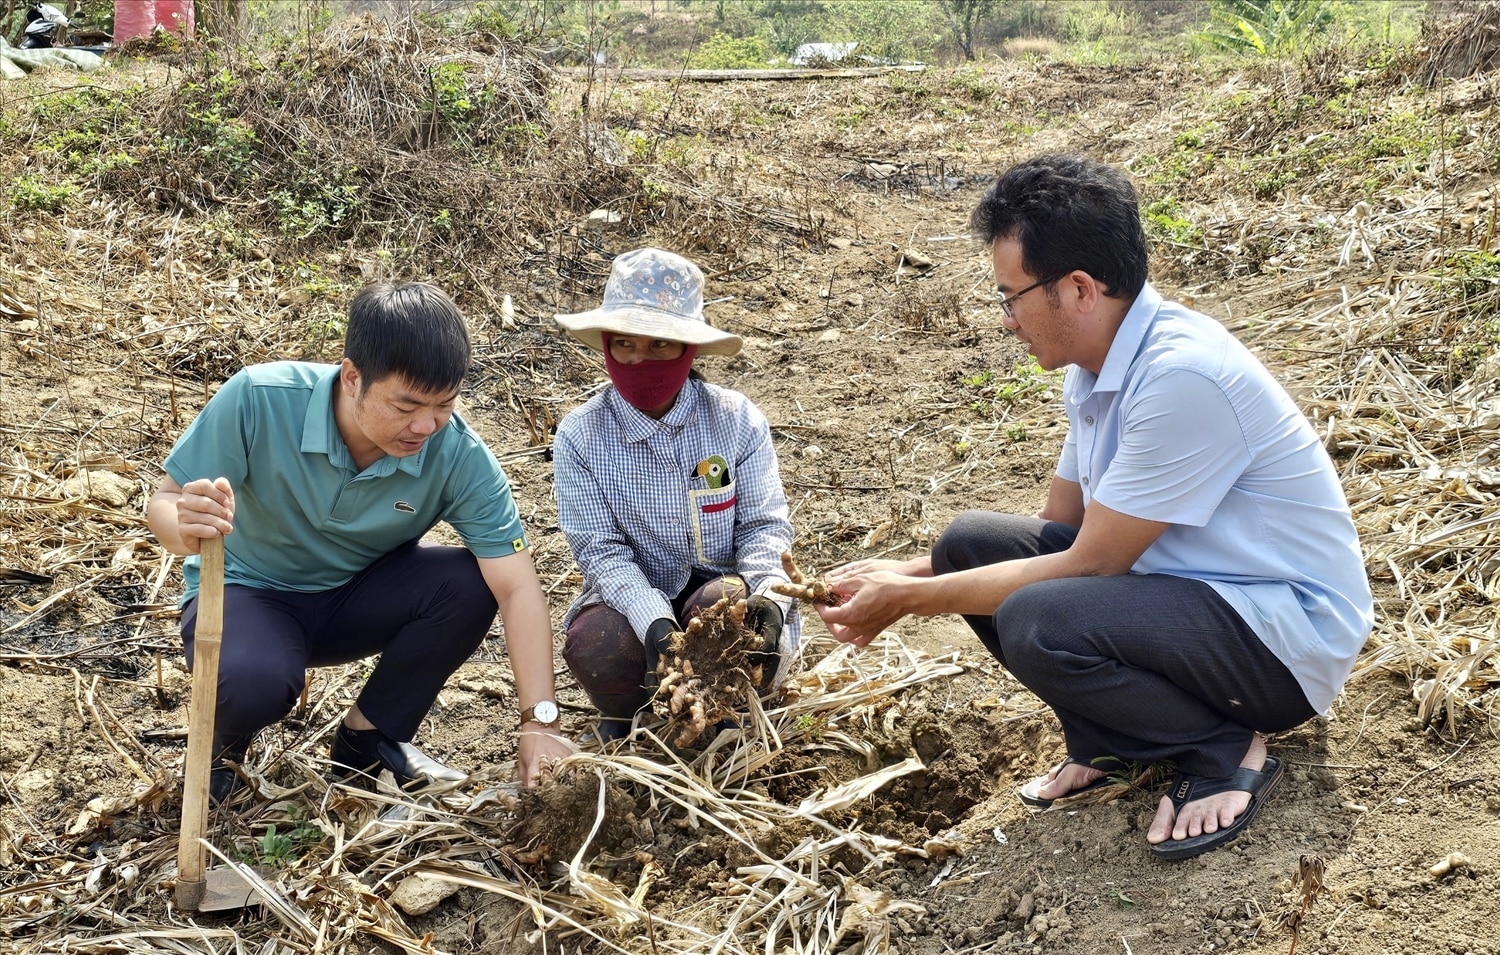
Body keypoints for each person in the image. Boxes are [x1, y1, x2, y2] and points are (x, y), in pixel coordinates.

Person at [816, 154, 1373, 860]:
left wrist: (908, 598)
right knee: (967, 543)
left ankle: (1223, 748)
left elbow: (1091, 562)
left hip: (1282, 636)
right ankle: (1113, 743)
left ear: (1078, 288)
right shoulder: (1098, 368)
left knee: (1036, 619)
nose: (1009, 319)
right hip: (1197, 598)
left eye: (1011, 296)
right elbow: (1066, 525)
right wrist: (907, 570)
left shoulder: (1180, 377)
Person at [146, 282, 572, 803]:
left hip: (354, 599)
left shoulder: (457, 454)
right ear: (352, 378)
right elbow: (164, 501)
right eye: (406, 405)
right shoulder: (261, 399)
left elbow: (519, 589)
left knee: (470, 583)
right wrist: (185, 527)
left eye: (444, 404)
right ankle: (223, 745)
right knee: (250, 680)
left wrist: (541, 722)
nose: (425, 426)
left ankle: (368, 737)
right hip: (247, 593)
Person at [551, 247, 798, 742]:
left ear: (689, 349)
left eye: (660, 345)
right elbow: (601, 553)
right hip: (633, 596)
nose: (640, 359)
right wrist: (653, 623)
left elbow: (763, 527)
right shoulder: (581, 435)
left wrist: (770, 597)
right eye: (624, 344)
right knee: (597, 646)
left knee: (727, 607)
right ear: (606, 346)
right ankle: (627, 715)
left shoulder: (735, 420)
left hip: (719, 587)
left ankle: (730, 710)